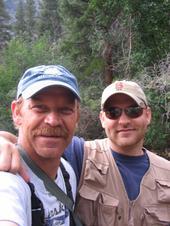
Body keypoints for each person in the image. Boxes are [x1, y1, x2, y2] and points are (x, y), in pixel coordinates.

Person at [1, 80, 170, 225]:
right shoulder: (79, 154)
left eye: (134, 111)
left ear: (147, 115)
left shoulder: (167, 172)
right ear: (103, 119)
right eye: (113, 112)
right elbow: (34, 140)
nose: (124, 121)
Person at [0, 65, 81, 226]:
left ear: (77, 116)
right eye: (40, 108)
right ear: (17, 113)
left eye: (65, 110)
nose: (53, 121)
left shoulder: (67, 172)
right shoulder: (8, 181)